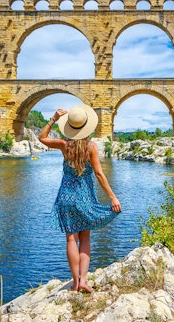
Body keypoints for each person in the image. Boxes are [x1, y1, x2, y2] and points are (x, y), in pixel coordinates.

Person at [39, 104, 122, 293]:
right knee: (85, 238)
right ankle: (83, 280)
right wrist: (113, 197)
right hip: (84, 197)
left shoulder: (63, 145)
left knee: (70, 240)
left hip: (65, 197)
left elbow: (42, 138)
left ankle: (75, 283)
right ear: (86, 126)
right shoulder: (91, 147)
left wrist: (53, 119)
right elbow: (99, 174)